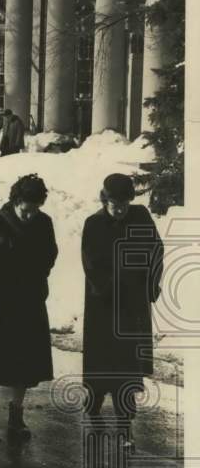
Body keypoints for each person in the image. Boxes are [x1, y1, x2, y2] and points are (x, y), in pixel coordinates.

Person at [0, 174, 58, 438]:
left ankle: (16, 415)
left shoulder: (44, 223)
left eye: (35, 210)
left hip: (29, 301)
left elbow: (50, 254)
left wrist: (36, 272)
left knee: (24, 363)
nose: (30, 215)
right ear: (15, 201)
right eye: (25, 210)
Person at [81, 173, 164, 447]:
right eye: (115, 204)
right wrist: (111, 287)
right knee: (102, 365)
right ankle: (93, 408)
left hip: (132, 306)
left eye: (124, 204)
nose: (120, 209)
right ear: (105, 200)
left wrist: (150, 284)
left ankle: (124, 426)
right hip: (103, 307)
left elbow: (156, 250)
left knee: (127, 367)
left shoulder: (140, 217)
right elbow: (91, 264)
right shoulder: (94, 224)